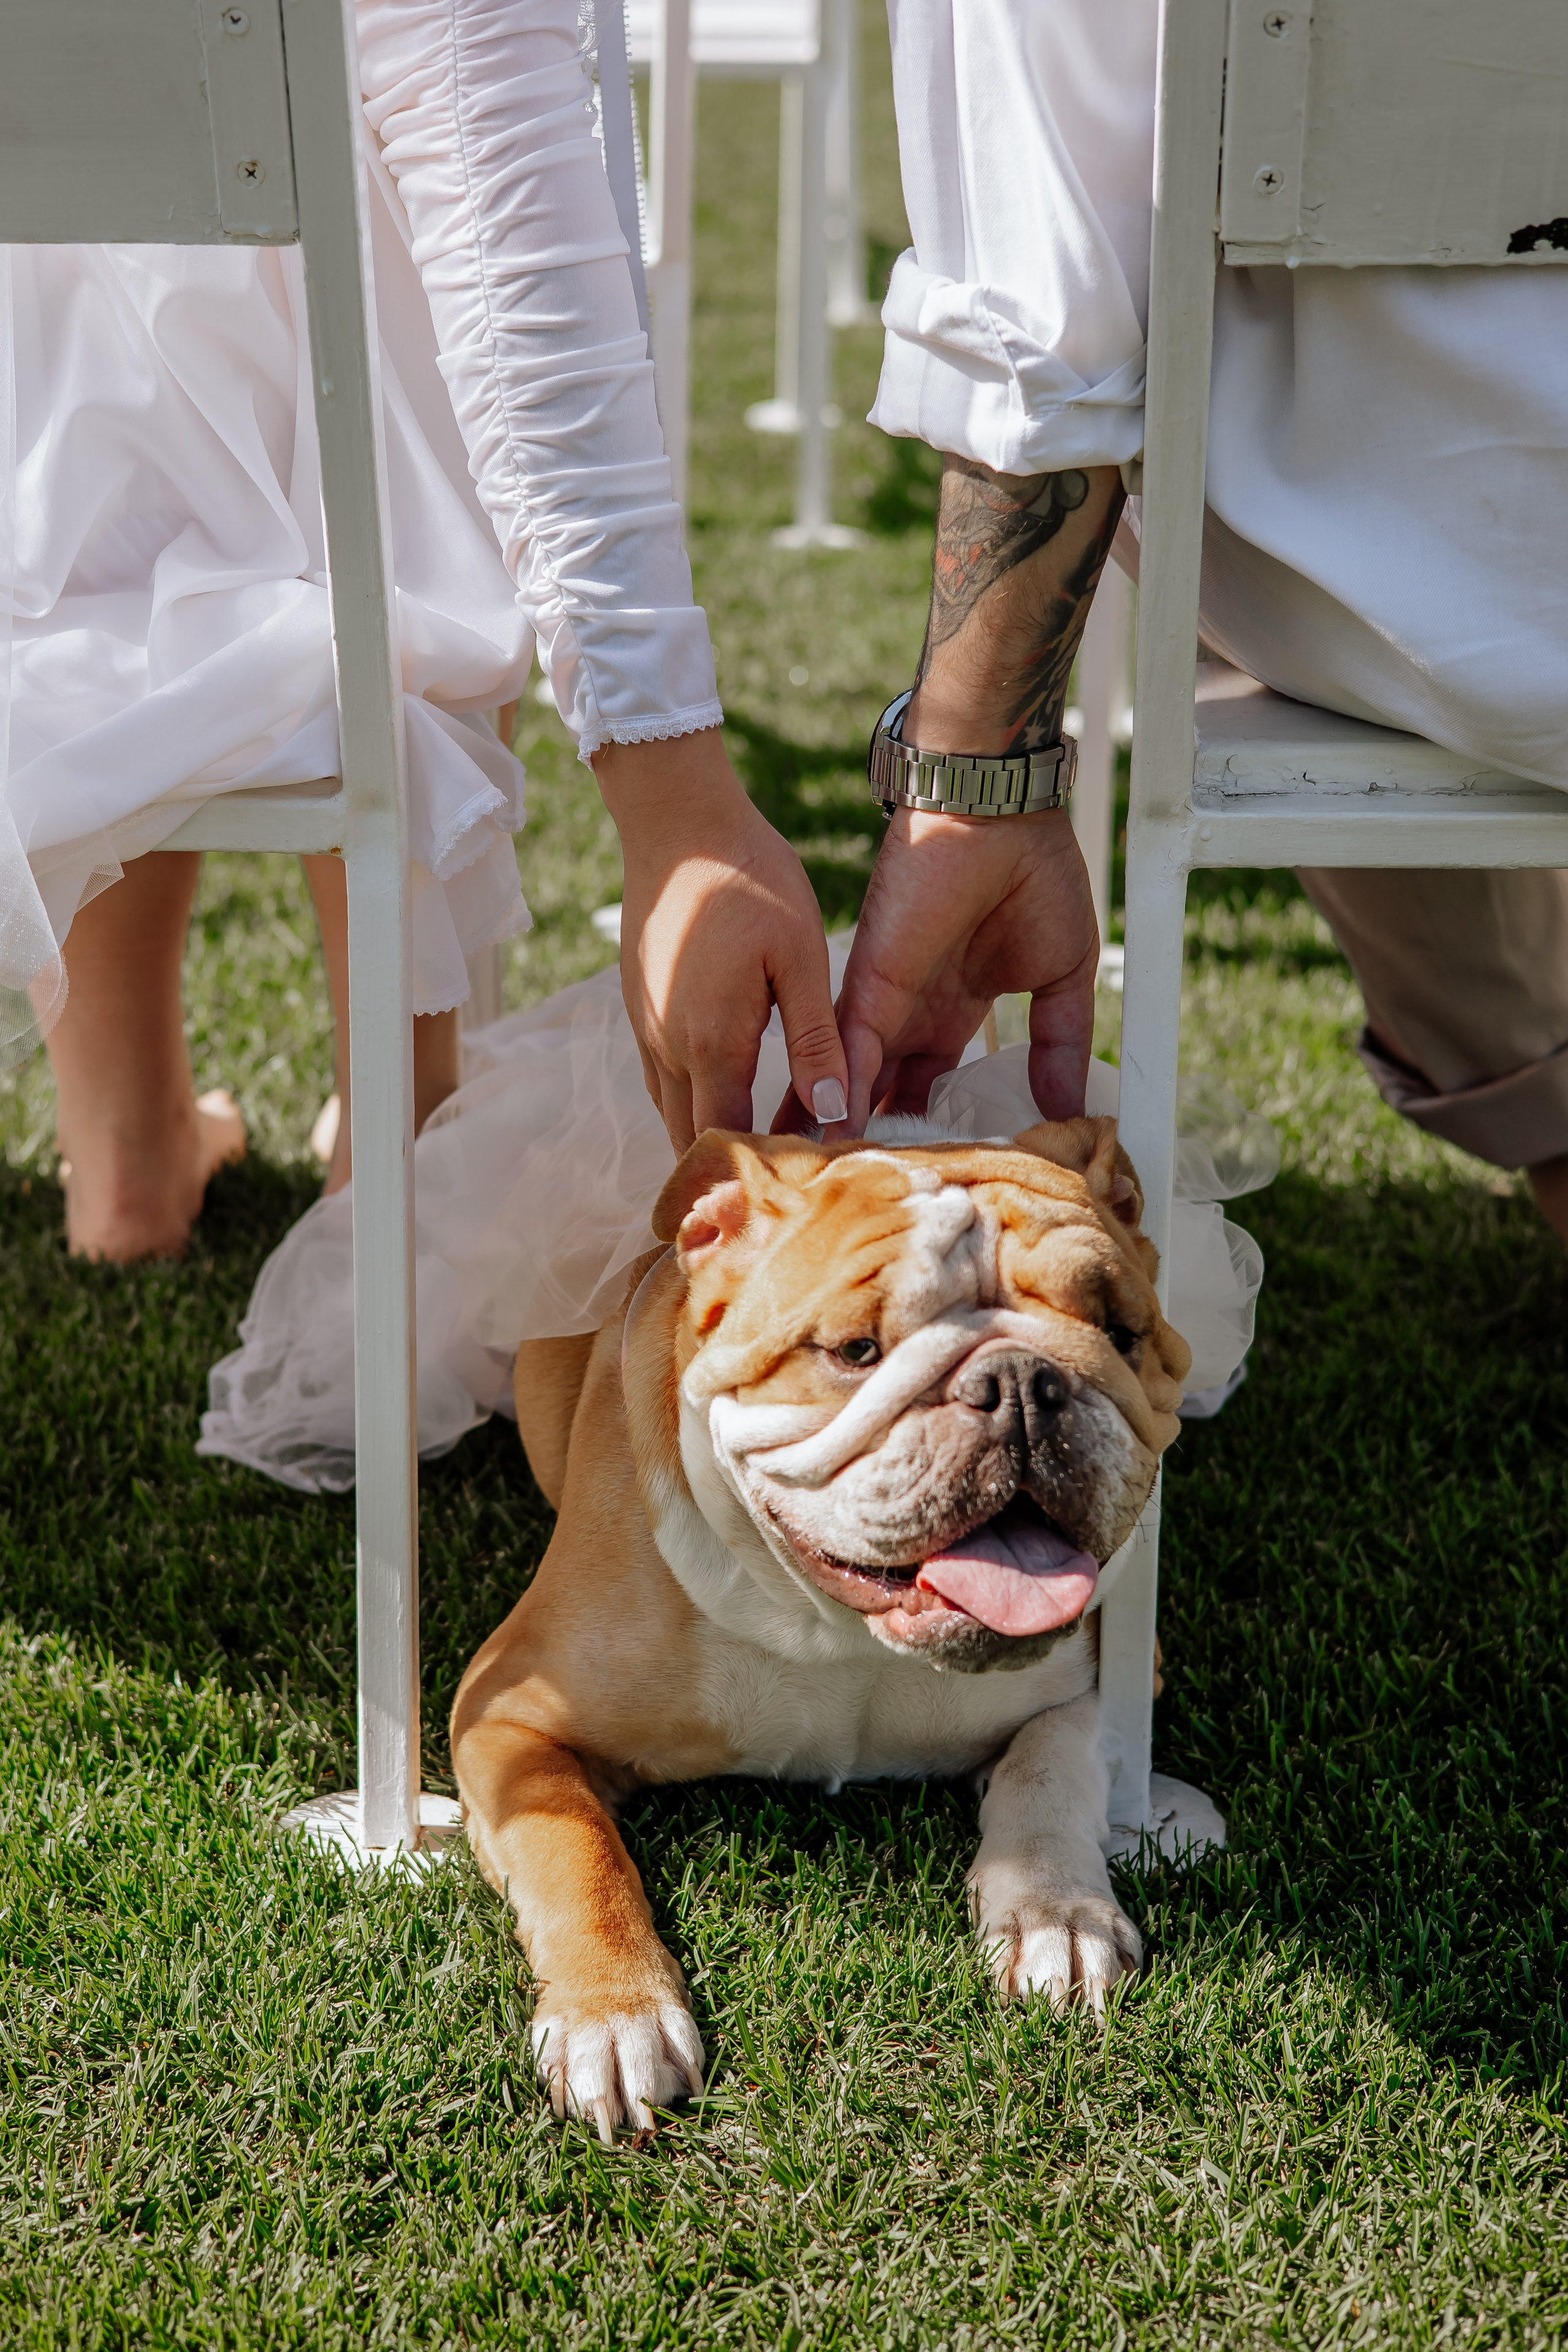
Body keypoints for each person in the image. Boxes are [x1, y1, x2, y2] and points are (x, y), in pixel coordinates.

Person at [824, 0, 1568, 1234]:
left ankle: (1541, 1101)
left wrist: (968, 782)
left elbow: (1046, 316)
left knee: (1279, 531)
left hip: (1425, 577)